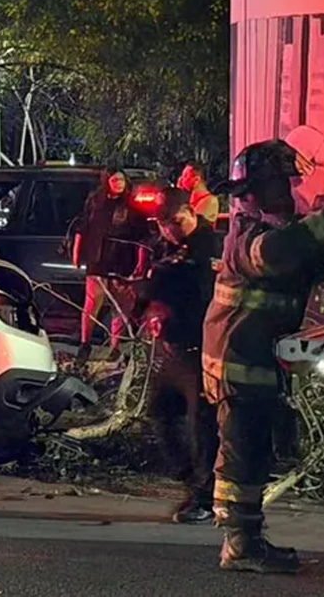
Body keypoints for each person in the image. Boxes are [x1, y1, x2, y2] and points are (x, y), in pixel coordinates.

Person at [203, 139, 324, 574]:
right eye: (281, 187)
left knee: (257, 450)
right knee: (242, 451)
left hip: (255, 360)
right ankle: (238, 544)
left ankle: (247, 539)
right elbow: (277, 256)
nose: (290, 195)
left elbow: (306, 263)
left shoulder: (272, 233)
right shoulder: (248, 237)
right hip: (237, 363)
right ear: (252, 193)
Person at [136, 188, 224, 524]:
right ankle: (191, 479)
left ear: (191, 212)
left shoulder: (209, 246)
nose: (169, 230)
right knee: (161, 416)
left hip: (202, 349)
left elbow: (197, 288)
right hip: (173, 350)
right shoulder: (166, 249)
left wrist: (164, 281)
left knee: (204, 426)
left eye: (174, 222)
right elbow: (153, 286)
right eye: (162, 224)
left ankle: (205, 497)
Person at [71, 168, 148, 362]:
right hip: (97, 259)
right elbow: (83, 227)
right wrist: (77, 252)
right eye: (114, 180)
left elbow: (142, 237)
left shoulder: (132, 206)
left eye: (121, 180)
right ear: (107, 181)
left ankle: (115, 347)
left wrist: (141, 260)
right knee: (91, 304)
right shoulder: (95, 202)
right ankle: (85, 344)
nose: (119, 183)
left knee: (121, 307)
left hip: (122, 261)